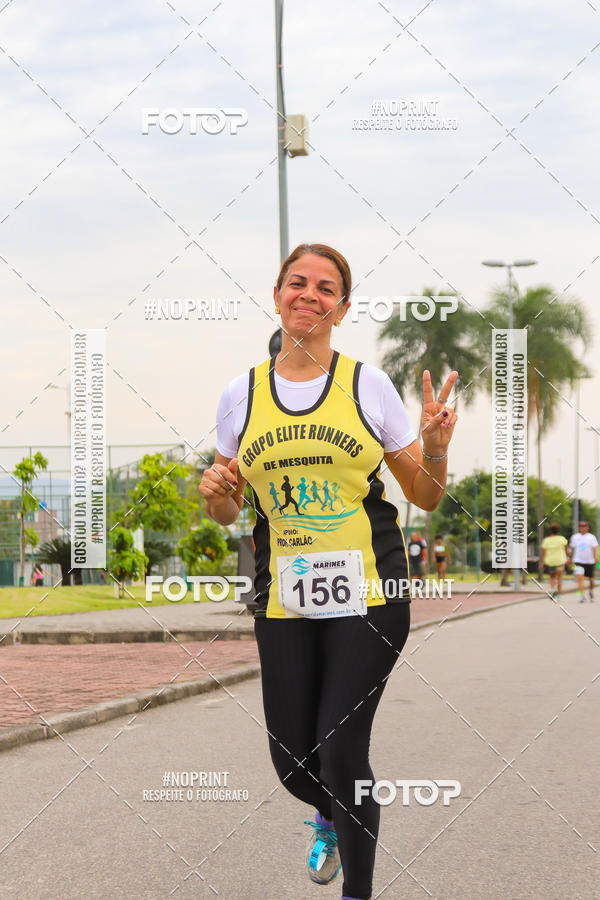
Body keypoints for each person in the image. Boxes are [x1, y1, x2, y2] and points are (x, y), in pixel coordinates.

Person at [200, 243, 459, 900]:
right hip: (284, 598)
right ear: (278, 293)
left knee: (342, 754)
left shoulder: (367, 385)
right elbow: (232, 512)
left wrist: (432, 445)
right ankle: (329, 813)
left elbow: (424, 495)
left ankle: (356, 890)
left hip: (370, 592)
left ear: (342, 308)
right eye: (297, 283)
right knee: (294, 765)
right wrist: (215, 495)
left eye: (325, 288)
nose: (309, 295)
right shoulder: (241, 395)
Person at [567, 521, 598, 602]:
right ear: (579, 528)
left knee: (591, 580)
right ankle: (581, 595)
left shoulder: (591, 537)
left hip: (589, 561)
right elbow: (572, 549)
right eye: (581, 527)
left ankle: (591, 591)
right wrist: (570, 560)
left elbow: (595, 548)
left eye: (585, 527)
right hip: (578, 561)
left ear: (587, 528)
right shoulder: (575, 537)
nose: (583, 528)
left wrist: (596, 557)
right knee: (580, 579)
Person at [540, 523, 568, 599]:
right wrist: (568, 559)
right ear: (559, 531)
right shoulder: (562, 539)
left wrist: (542, 562)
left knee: (552, 577)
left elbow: (543, 552)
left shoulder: (546, 540)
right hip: (560, 561)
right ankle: (558, 595)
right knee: (559, 578)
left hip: (550, 561)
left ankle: (552, 588)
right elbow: (566, 550)